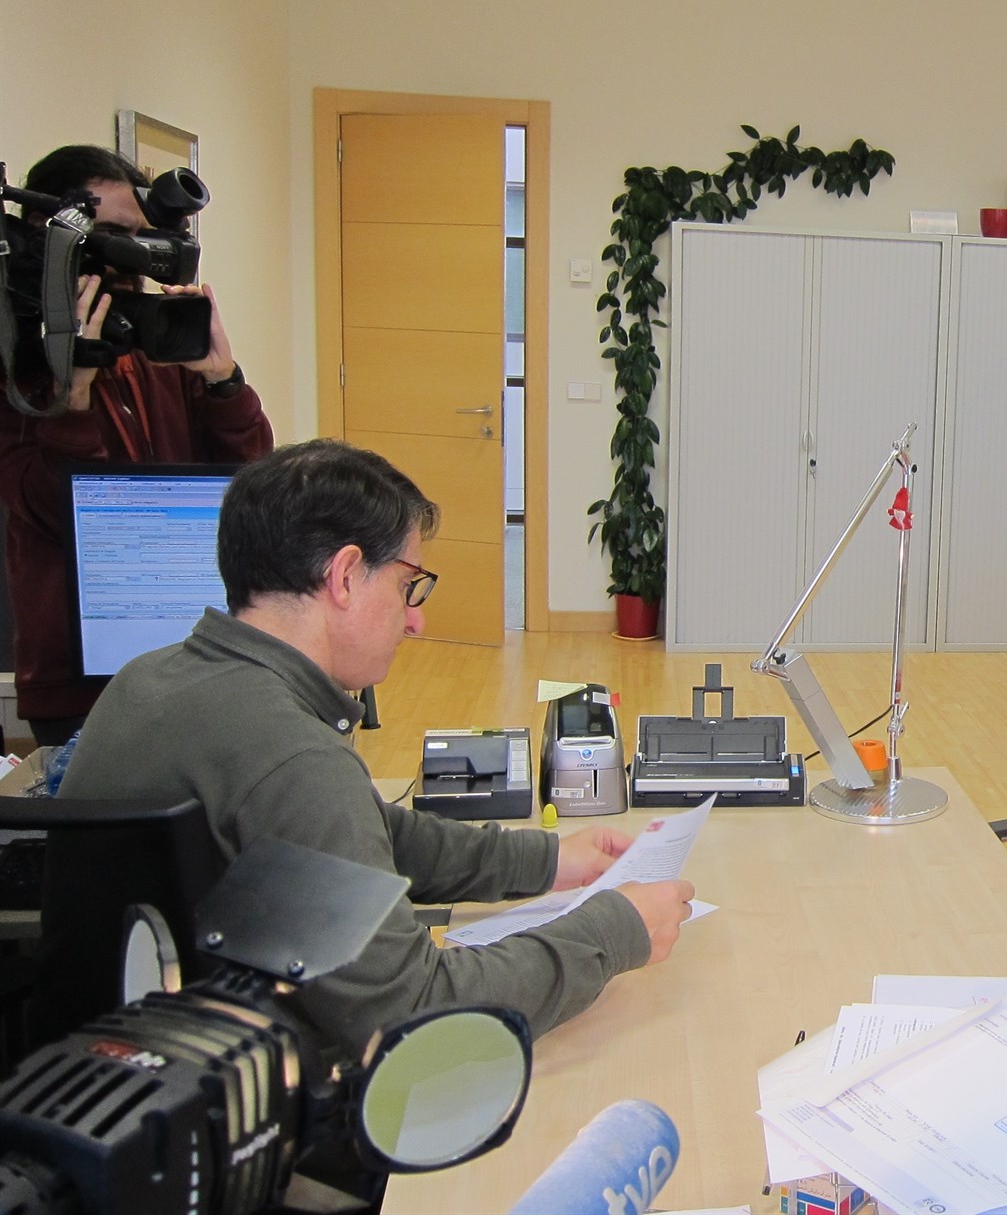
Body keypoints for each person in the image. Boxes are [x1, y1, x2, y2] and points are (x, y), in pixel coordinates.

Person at [59, 439, 694, 1053]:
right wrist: (615, 931)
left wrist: (547, 861)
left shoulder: (152, 677)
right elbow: (414, 1012)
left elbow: (358, 833)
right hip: (240, 1099)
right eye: (406, 587)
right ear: (342, 576)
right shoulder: (292, 755)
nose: (415, 619)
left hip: (128, 1063)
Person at [0, 144, 273, 746]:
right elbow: (52, 510)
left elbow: (251, 478)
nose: (129, 258)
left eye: (138, 236)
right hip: (81, 677)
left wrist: (221, 380)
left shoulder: (154, 344)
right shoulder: (17, 372)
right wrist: (72, 397)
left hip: (192, 651)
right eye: (109, 236)